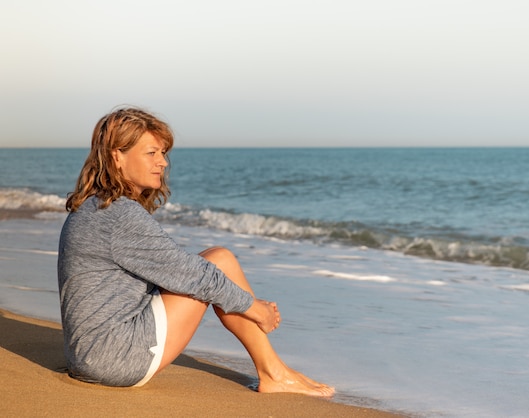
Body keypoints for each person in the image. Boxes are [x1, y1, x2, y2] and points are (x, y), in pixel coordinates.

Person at [57, 106, 334, 396]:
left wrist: (239, 298)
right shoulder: (119, 215)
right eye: (151, 153)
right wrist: (256, 309)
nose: (162, 163)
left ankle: (274, 370)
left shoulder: (93, 207)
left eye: (163, 154)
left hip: (88, 356)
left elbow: (173, 273)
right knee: (219, 263)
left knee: (214, 262)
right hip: (115, 360)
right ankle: (274, 372)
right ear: (117, 155)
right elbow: (197, 277)